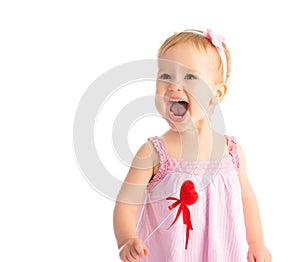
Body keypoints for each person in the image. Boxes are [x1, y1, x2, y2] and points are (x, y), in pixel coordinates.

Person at [113, 29, 272, 262]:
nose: (174, 86)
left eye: (190, 77)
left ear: (216, 94)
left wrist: (256, 242)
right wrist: (127, 239)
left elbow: (247, 199)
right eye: (165, 76)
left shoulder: (232, 152)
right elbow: (126, 204)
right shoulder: (154, 153)